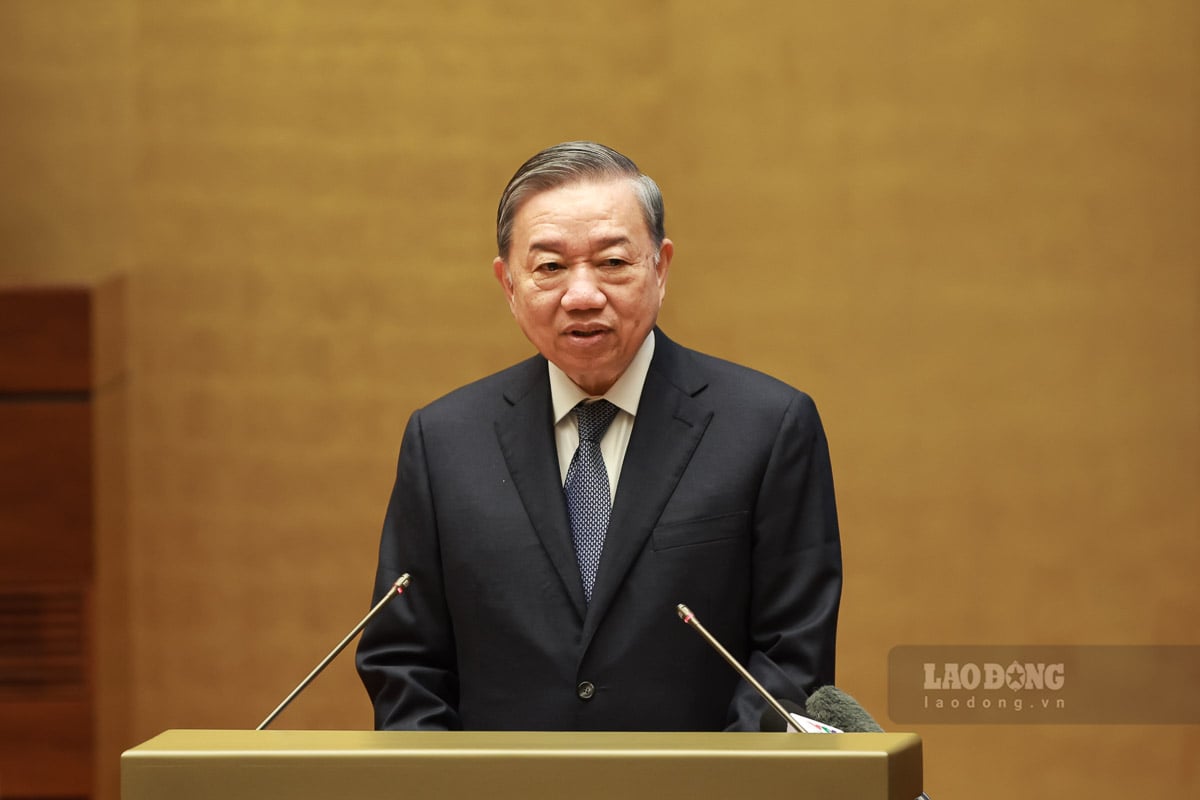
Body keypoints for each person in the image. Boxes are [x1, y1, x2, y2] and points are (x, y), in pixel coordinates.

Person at [355, 141, 842, 731]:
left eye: (613, 263)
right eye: (550, 267)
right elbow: (405, 663)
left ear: (660, 268)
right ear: (509, 285)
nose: (582, 295)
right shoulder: (444, 441)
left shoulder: (769, 427)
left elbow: (791, 658)